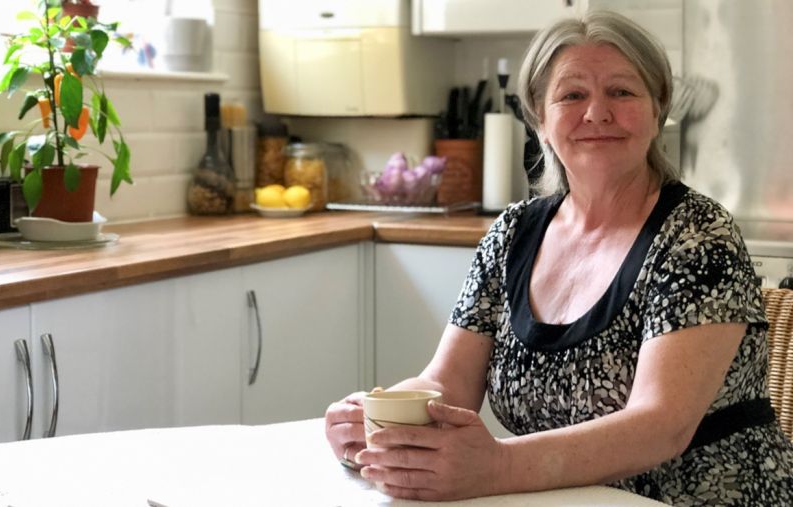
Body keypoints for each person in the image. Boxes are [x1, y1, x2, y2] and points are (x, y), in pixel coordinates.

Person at [324, 10, 793, 506]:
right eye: (572, 95)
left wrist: (495, 465)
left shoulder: (698, 235)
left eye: (622, 92)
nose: (597, 113)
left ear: (657, 112)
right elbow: (448, 382)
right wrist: (384, 419)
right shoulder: (512, 234)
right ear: (539, 121)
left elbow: (661, 426)